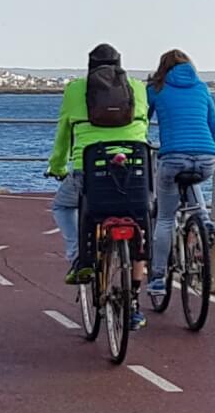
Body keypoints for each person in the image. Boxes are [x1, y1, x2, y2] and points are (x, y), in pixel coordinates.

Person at [46, 43, 149, 283]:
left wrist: (58, 167)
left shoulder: (75, 89)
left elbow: (64, 133)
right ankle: (135, 295)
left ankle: (78, 257)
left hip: (89, 170)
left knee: (63, 206)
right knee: (142, 216)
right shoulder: (138, 88)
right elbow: (143, 126)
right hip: (133, 168)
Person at [145, 49, 215, 305]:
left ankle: (157, 278)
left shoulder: (157, 87)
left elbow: (141, 120)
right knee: (193, 177)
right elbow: (214, 123)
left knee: (165, 218)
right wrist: (212, 148)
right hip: (207, 156)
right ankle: (204, 218)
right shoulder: (201, 87)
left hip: (173, 156)